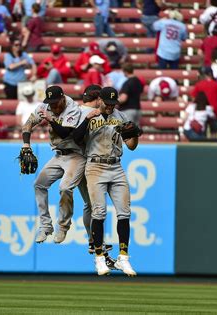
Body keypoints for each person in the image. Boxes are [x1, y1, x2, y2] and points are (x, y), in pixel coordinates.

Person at [71, 86, 139, 276]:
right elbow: (76, 139)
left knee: (124, 212)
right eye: (107, 103)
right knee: (99, 212)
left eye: (113, 103)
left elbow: (131, 146)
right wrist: (87, 120)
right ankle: (100, 258)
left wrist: (135, 134)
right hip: (95, 166)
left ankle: (123, 257)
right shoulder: (89, 114)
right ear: (99, 99)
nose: (110, 107)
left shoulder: (121, 116)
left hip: (116, 166)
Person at [21, 86, 86, 244]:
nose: (54, 106)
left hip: (76, 155)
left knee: (65, 188)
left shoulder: (72, 108)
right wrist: (26, 144)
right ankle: (45, 226)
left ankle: (63, 226)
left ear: (63, 98)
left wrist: (50, 119)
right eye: (51, 103)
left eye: (56, 102)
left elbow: (65, 133)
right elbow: (28, 123)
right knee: (39, 184)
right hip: (58, 155)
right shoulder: (46, 107)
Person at [191, 68, 217, 138]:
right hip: (214, 111)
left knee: (203, 133)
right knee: (214, 133)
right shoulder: (216, 84)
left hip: (201, 111)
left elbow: (193, 98)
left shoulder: (199, 84)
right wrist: (216, 103)